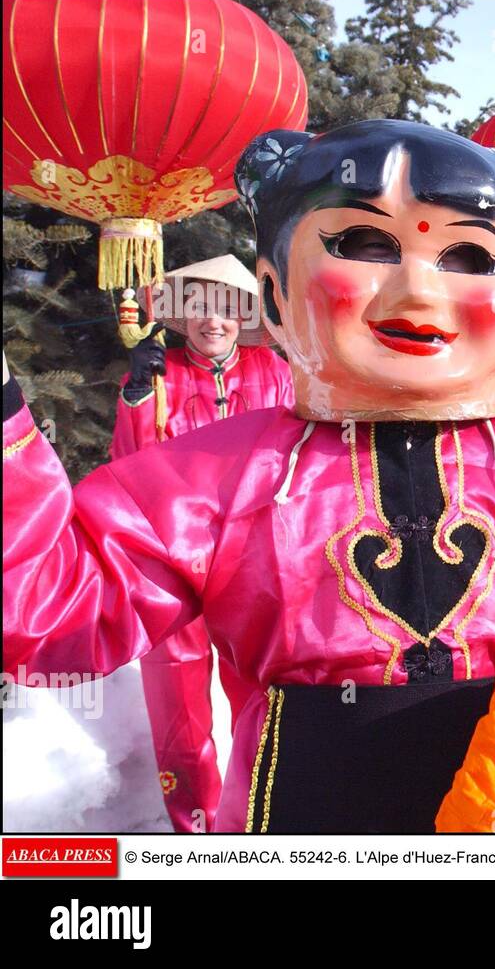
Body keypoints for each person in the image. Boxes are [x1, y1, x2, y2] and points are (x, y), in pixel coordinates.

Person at [3, 120, 495, 832]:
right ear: (275, 292)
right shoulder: (218, 473)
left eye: (468, 255)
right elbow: (49, 611)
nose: (417, 290)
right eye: (364, 245)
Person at [111, 254, 293, 833]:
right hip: (173, 557)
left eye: (225, 307)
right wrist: (136, 398)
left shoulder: (276, 370)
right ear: (183, 315)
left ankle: (259, 817)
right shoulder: (154, 374)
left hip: (256, 558)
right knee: (177, 699)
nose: (212, 320)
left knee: (261, 692)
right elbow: (129, 465)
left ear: (244, 315)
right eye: (199, 306)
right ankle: (196, 830)